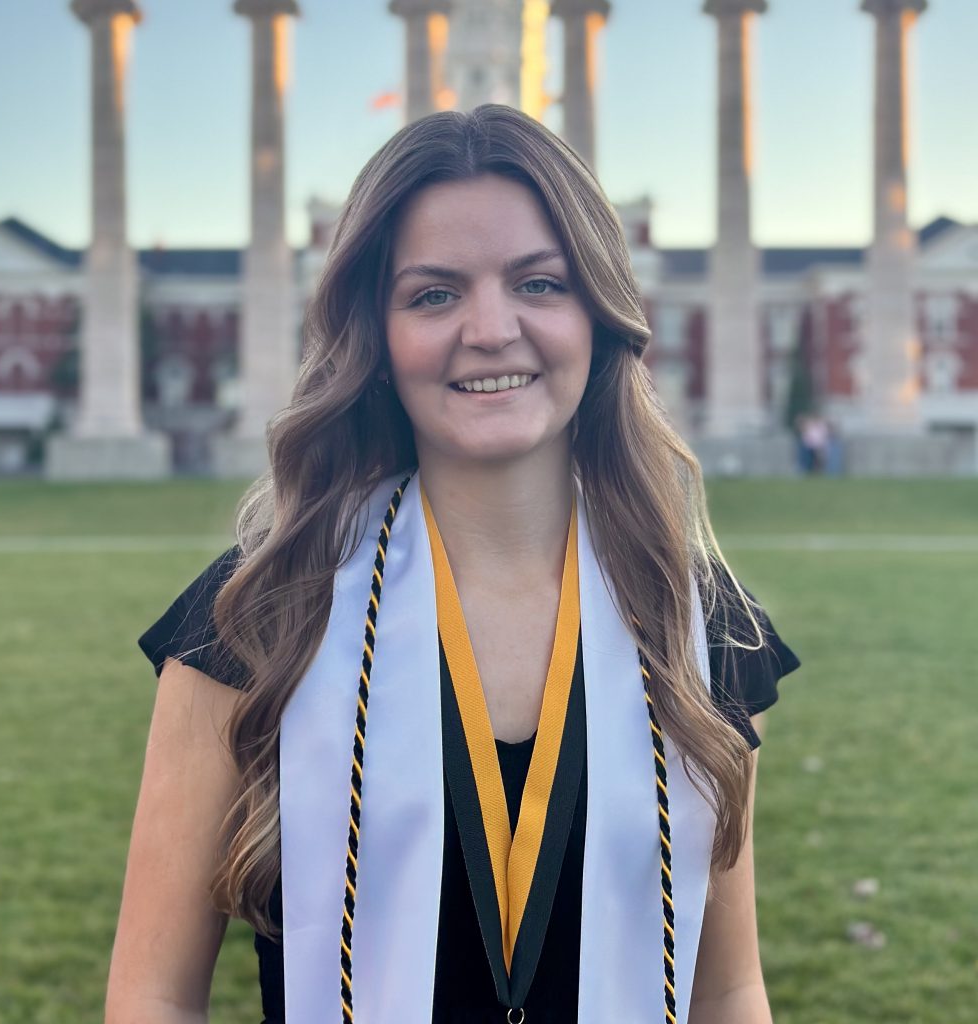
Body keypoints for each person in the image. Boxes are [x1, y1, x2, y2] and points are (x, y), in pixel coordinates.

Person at [111, 104, 801, 1024]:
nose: (489, 329)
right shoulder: (255, 614)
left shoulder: (698, 619)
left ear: (598, 312)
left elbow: (725, 988)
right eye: (434, 293)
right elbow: (153, 997)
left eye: (540, 284)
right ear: (376, 333)